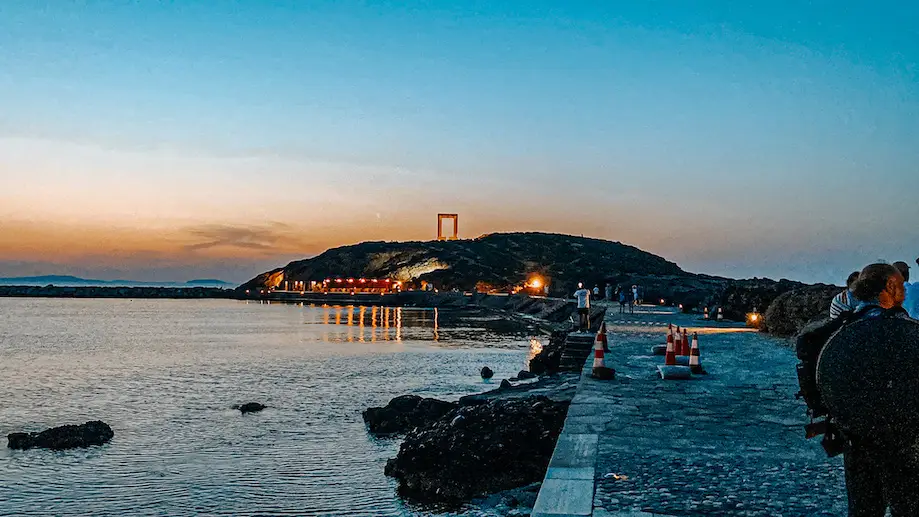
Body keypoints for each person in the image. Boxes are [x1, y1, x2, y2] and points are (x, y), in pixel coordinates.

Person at [819, 263, 916, 516]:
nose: (904, 290)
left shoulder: (843, 328)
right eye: (901, 285)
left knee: (863, 509)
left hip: (856, 437)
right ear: (889, 287)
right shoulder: (901, 330)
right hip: (904, 441)